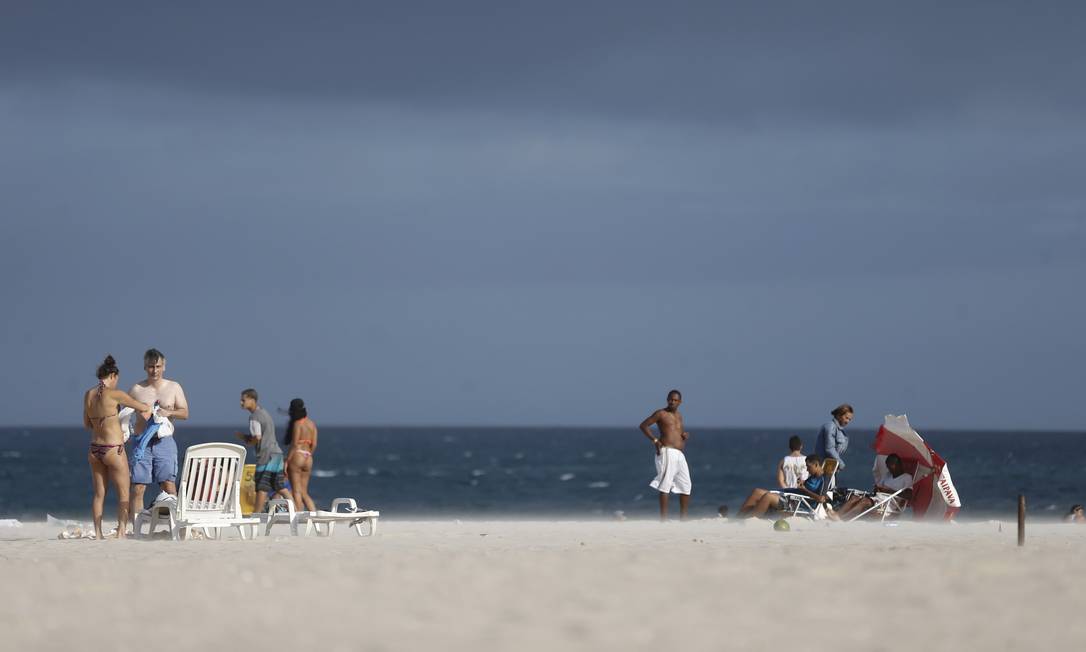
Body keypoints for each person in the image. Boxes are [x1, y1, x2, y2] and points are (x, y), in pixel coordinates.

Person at [82, 355, 152, 539]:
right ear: (112, 375)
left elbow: (86, 423)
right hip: (113, 449)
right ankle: (121, 531)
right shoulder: (116, 394)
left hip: (94, 449)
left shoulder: (88, 395)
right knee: (123, 493)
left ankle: (98, 534)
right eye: (117, 379)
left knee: (99, 494)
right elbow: (142, 407)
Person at [128, 348, 189, 519]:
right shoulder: (136, 389)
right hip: (142, 443)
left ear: (164, 366)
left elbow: (185, 413)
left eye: (157, 366)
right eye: (150, 367)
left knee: (168, 485)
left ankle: (175, 524)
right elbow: (123, 414)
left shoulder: (174, 387)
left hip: (164, 442)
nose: (154, 371)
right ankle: (137, 526)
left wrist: (168, 412)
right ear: (145, 367)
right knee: (138, 487)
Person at [639, 389, 691, 521]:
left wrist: (684, 436)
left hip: (680, 454)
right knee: (665, 484)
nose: (672, 402)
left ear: (680, 402)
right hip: (667, 452)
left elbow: (675, 432)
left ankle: (684, 520)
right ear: (667, 399)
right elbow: (643, 426)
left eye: (675, 400)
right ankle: (663, 520)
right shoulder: (661, 413)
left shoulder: (679, 415)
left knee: (686, 485)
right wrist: (655, 440)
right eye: (670, 399)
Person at [235, 388, 287, 513]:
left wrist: (245, 439)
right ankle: (295, 508)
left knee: (262, 486)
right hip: (276, 452)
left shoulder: (254, 417)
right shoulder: (264, 413)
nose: (241, 403)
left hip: (266, 455)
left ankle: (256, 515)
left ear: (252, 400)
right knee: (279, 486)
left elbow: (257, 438)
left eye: (243, 400)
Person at [735, 435, 809, 517]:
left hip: (793, 502)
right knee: (757, 491)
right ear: (801, 446)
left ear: (789, 447)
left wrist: (788, 491)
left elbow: (781, 482)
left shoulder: (784, 461)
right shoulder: (809, 462)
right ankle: (739, 519)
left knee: (762, 494)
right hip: (792, 497)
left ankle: (741, 517)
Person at [741, 455, 828, 519]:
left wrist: (804, 490)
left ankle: (750, 521)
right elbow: (811, 486)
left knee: (768, 496)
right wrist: (803, 482)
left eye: (808, 467)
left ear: (816, 465)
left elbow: (821, 499)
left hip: (796, 503)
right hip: (788, 495)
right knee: (757, 492)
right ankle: (738, 518)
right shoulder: (814, 475)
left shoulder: (823, 479)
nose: (807, 469)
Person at [834, 454, 913, 520]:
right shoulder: (888, 475)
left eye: (891, 465)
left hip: (888, 504)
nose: (889, 468)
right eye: (887, 466)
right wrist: (877, 489)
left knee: (864, 501)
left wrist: (887, 491)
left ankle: (844, 519)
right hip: (878, 498)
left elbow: (908, 496)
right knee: (854, 497)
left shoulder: (906, 477)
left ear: (898, 465)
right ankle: (837, 515)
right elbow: (879, 489)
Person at [284, 398, 318, 512]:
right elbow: (314, 444)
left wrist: (287, 460)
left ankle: (298, 516)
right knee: (304, 492)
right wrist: (309, 455)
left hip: (297, 455)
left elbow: (294, 444)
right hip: (308, 457)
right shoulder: (312, 424)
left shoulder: (298, 424)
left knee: (296, 491)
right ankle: (313, 515)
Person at [815, 404, 853, 472]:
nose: (848, 421)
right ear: (839, 415)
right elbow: (829, 449)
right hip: (822, 469)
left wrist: (836, 464)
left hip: (830, 468)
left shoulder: (841, 432)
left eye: (850, 419)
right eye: (846, 418)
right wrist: (840, 463)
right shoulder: (830, 427)